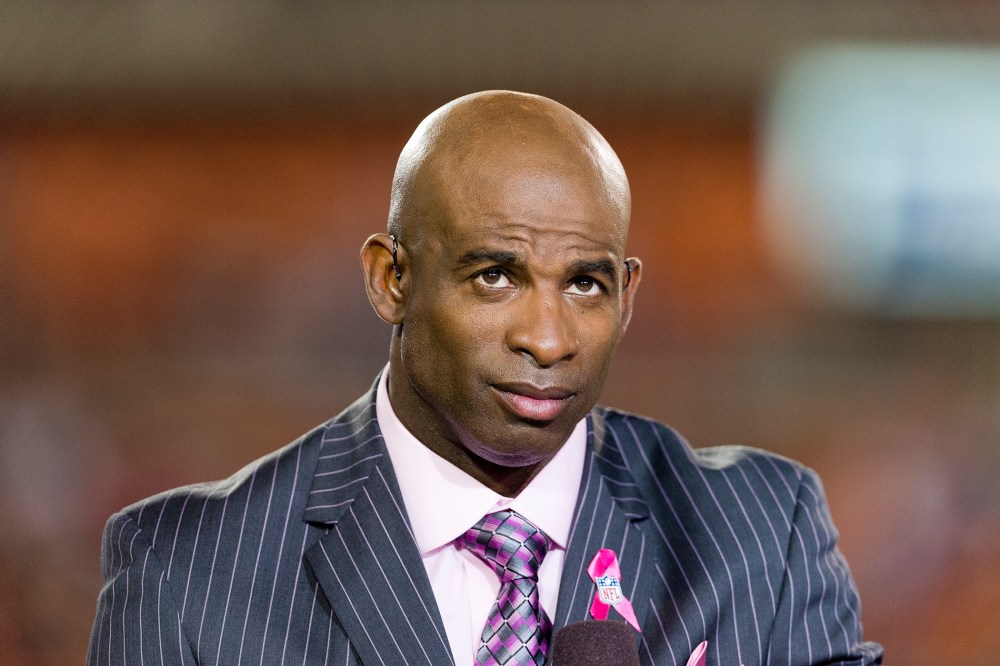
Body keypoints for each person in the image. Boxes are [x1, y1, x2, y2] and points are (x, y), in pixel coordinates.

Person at [88, 91, 883, 666]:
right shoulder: (186, 570)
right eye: (495, 275)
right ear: (390, 279)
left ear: (628, 296)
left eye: (585, 284)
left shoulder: (761, 535)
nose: (547, 338)